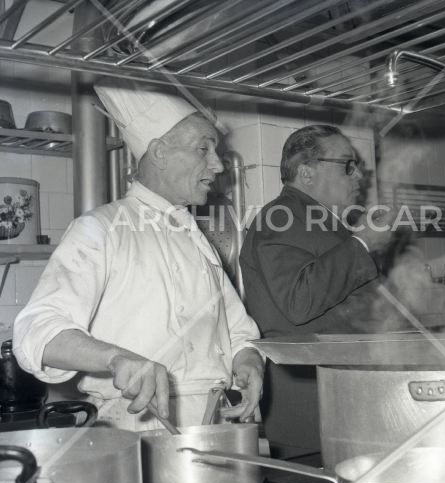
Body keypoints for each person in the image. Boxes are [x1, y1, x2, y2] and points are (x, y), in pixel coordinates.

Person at [13, 78, 264, 431]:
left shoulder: (195, 236)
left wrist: (248, 360)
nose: (219, 166)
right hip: (135, 427)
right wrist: (115, 358)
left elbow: (237, 331)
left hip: (214, 424)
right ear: (160, 151)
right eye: (203, 150)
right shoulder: (101, 228)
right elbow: (35, 331)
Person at [239, 125, 395, 457]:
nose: (358, 177)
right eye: (347, 165)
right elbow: (299, 300)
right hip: (311, 412)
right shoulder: (278, 218)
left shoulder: (320, 223)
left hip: (344, 403)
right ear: (307, 172)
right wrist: (363, 242)